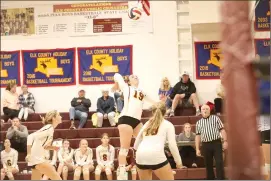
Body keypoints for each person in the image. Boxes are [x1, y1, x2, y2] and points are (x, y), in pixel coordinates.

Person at [112, 73, 154, 180]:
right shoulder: (126, 88)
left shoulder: (142, 92)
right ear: (129, 81)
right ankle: (121, 173)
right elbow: (116, 75)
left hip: (137, 122)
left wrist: (162, 102)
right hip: (126, 118)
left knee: (146, 142)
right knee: (124, 148)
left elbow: (154, 102)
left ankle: (146, 165)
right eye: (132, 76)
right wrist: (117, 83)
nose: (135, 77)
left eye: (137, 76)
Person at [134, 102, 185, 180]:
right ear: (165, 112)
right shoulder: (168, 124)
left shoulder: (147, 123)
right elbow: (172, 145)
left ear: (152, 112)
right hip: (156, 155)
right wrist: (179, 163)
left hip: (140, 156)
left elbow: (136, 144)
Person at [26, 110, 62, 180]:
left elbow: (44, 146)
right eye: (59, 115)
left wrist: (54, 148)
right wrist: (29, 153)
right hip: (37, 159)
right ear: (53, 118)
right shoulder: (49, 127)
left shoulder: (49, 128)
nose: (61, 117)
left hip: (36, 159)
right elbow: (30, 136)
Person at [195, 104, 227, 180]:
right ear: (201, 111)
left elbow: (222, 130)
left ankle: (220, 179)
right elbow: (197, 136)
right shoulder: (199, 122)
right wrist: (197, 148)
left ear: (209, 110)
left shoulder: (215, 118)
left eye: (207, 109)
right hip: (205, 145)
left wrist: (225, 141)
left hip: (216, 143)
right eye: (203, 109)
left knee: (219, 162)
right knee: (208, 164)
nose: (205, 110)